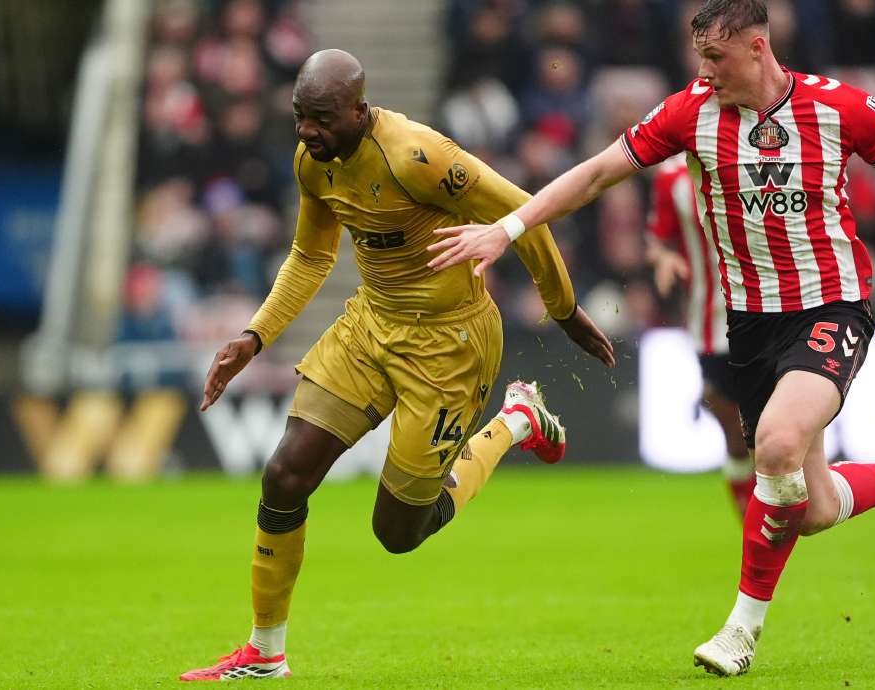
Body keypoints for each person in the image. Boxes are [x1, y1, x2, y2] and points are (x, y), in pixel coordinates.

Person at [427, 0, 875, 677]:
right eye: (699, 56)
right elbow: (597, 173)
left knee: (777, 446)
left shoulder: (838, 107)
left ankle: (740, 630)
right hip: (751, 328)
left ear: (758, 48)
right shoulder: (690, 114)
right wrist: (510, 228)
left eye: (715, 57)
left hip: (832, 308)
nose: (703, 71)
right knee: (813, 508)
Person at [179, 49, 614, 682]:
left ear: (359, 110)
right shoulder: (312, 160)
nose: (306, 130)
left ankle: (516, 419)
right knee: (284, 475)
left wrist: (564, 310)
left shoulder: (417, 156)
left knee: (399, 532)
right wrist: (255, 336)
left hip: (449, 346)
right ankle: (265, 653)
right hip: (371, 325)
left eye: (321, 118)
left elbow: (524, 212)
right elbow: (310, 255)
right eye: (300, 115)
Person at [645, 153, 753, 517]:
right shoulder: (672, 176)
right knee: (735, 433)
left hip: (771, 313)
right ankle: (753, 525)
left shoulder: (761, 155)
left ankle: (775, 515)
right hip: (710, 322)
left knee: (771, 432)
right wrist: (663, 258)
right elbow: (657, 239)